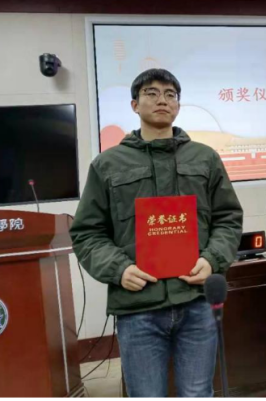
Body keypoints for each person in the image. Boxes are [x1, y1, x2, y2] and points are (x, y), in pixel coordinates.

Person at [70, 69, 243, 398]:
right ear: (134, 104)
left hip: (196, 301)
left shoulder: (205, 158)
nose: (162, 99)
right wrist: (119, 269)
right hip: (138, 307)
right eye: (151, 92)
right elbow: (87, 232)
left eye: (170, 94)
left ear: (178, 105)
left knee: (197, 393)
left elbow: (228, 218)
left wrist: (212, 259)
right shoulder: (108, 164)